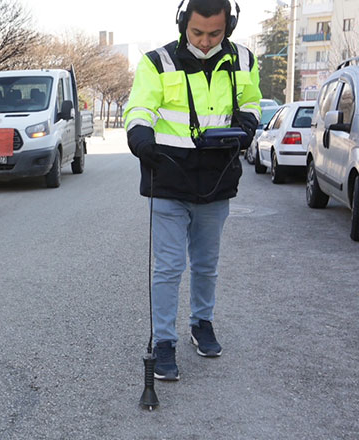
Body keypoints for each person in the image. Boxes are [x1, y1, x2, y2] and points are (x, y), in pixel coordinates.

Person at [122, 0, 261, 381]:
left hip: (217, 176)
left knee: (206, 264)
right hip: (168, 174)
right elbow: (139, 108)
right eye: (197, 32)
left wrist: (248, 123)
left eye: (215, 33)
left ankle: (202, 323)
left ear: (228, 27)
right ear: (184, 22)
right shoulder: (157, 62)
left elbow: (251, 102)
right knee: (168, 267)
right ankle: (164, 342)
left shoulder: (245, 60)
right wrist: (139, 136)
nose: (204, 41)